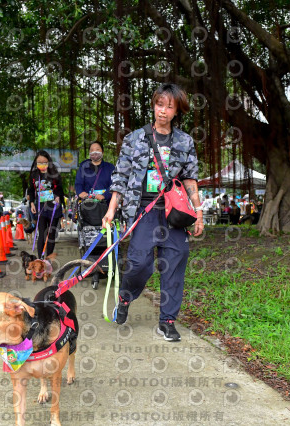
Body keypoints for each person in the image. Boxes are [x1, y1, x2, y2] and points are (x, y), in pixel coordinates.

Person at [102, 83, 204, 342]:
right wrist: (111, 211)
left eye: (169, 107)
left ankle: (167, 321)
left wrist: (199, 212)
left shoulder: (184, 141)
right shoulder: (134, 138)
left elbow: (190, 179)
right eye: (160, 105)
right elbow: (120, 177)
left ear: (177, 111)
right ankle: (125, 298)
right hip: (143, 212)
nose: (163, 111)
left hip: (174, 214)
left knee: (175, 266)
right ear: (153, 105)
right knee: (139, 264)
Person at [27, 150, 65, 258]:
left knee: (51, 234)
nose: (42, 164)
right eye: (39, 162)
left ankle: (48, 259)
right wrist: (31, 203)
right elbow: (31, 190)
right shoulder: (34, 175)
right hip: (41, 208)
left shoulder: (54, 174)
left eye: (44, 162)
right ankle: (40, 259)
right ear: (36, 162)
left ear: (48, 162)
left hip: (54, 208)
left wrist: (57, 196)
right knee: (42, 234)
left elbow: (60, 189)